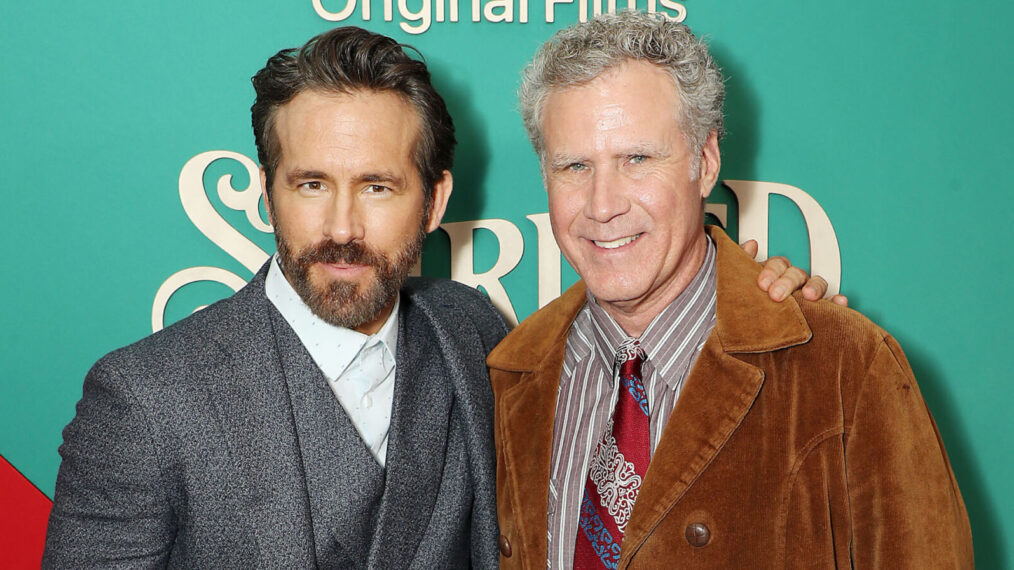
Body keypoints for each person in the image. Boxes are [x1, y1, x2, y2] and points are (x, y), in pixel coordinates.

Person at [43, 24, 830, 569]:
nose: (342, 227)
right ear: (265, 194)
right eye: (311, 184)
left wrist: (747, 293)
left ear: (435, 198)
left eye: (379, 187)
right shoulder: (144, 399)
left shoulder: (478, 333)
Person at [487, 11, 973, 569]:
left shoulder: (847, 369)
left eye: (637, 159)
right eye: (574, 166)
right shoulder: (506, 379)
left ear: (706, 162)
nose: (603, 205)